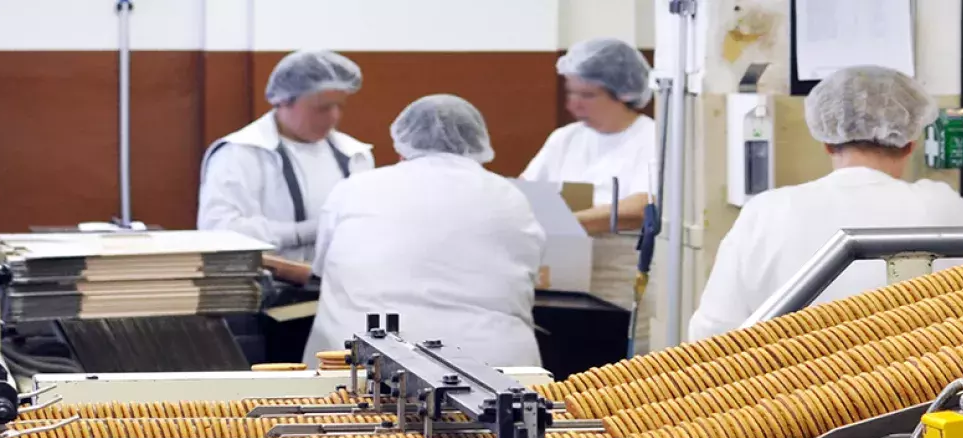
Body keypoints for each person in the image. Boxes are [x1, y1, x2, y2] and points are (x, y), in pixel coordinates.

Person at [687, 66, 963, 341]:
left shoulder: (766, 211)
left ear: (826, 141)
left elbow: (712, 331)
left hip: (790, 385)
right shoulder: (941, 206)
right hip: (914, 385)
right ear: (910, 143)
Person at [302, 95, 545, 368]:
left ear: (402, 146)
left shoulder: (355, 188)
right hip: (495, 365)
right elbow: (531, 273)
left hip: (368, 367)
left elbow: (321, 269)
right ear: (478, 143)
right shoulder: (510, 195)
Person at [522, 37, 657, 350]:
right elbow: (525, 192)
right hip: (562, 283)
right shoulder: (565, 139)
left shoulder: (648, 138)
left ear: (623, 93)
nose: (574, 104)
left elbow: (640, 207)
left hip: (621, 285)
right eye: (571, 92)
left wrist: (562, 222)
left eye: (587, 95)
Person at [198, 50, 375, 282]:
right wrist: (299, 233)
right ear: (283, 101)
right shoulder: (239, 154)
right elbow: (218, 232)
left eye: (340, 106)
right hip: (261, 294)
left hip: (339, 290)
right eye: (322, 108)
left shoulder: (356, 155)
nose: (333, 117)